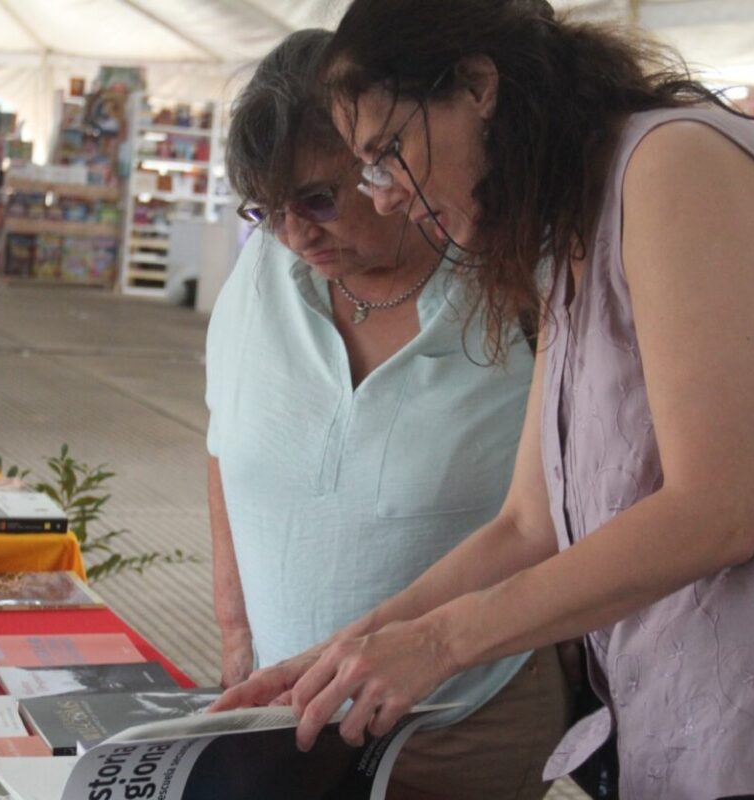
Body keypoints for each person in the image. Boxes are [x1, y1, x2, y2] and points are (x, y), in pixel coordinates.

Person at [212, 2, 754, 798]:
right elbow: (529, 523)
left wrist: (437, 645)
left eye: (388, 153)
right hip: (691, 714)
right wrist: (352, 647)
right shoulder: (573, 225)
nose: (386, 197)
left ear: (478, 87)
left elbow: (713, 512)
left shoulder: (674, 166)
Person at [208, 29, 565, 800]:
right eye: (265, 209)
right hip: (289, 717)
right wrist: (236, 634)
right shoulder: (262, 274)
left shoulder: (515, 282)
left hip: (466, 717)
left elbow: (561, 514)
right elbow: (222, 448)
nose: (295, 234)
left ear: (384, 159)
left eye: (317, 199)